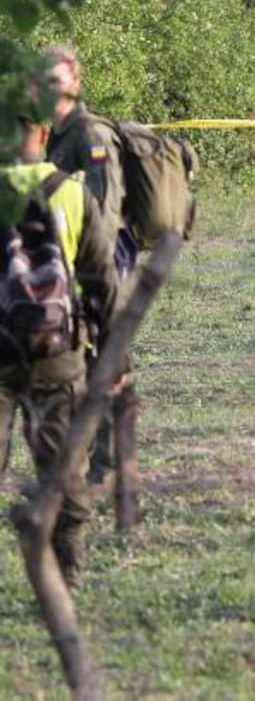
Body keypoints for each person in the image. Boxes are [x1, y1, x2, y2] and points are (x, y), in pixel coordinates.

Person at [0, 114, 119, 589]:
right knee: (63, 467)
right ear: (45, 136)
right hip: (59, 351)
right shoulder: (73, 192)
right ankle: (65, 570)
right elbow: (102, 281)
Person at [39, 44, 134, 485]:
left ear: (74, 84)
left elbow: (105, 207)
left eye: (56, 81)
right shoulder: (53, 136)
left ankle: (109, 460)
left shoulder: (89, 134)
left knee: (104, 356)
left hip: (102, 257)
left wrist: (88, 265)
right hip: (69, 260)